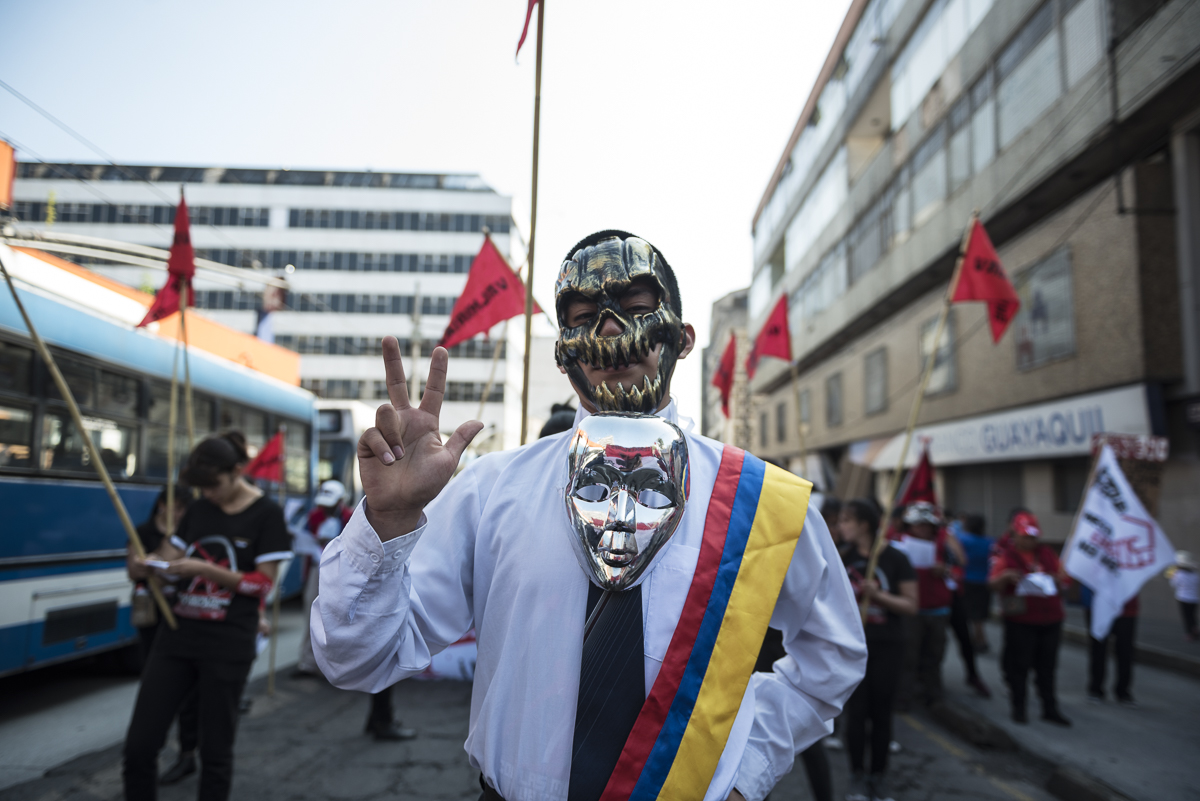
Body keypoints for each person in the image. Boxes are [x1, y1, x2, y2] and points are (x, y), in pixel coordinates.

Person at [312, 230, 867, 801]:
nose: (609, 329)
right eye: (583, 316)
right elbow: (355, 661)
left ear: (682, 337)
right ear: (563, 353)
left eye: (636, 306)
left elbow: (834, 657)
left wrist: (744, 772)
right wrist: (387, 521)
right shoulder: (490, 491)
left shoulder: (762, 501)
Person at [123, 432, 292, 801]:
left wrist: (205, 570)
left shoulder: (267, 514)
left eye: (214, 485)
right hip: (176, 638)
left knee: (215, 751)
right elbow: (168, 560)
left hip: (228, 644)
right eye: (203, 488)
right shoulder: (198, 510)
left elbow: (262, 584)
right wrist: (146, 565)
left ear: (237, 471)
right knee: (139, 745)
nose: (209, 494)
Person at [293, 479, 416, 740]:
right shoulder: (319, 516)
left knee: (378, 641)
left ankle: (378, 714)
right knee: (323, 620)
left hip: (358, 583)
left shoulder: (357, 518)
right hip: (334, 575)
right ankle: (318, 664)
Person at [839, 498, 917, 801]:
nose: (841, 526)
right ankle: (857, 775)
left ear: (864, 525)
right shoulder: (842, 557)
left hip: (887, 645)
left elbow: (911, 605)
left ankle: (878, 776)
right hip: (853, 647)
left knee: (881, 713)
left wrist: (879, 596)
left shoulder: (896, 558)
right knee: (855, 714)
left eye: (847, 520)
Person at [988, 511, 1071, 726]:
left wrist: (1057, 579)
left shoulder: (1047, 554)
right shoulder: (1006, 556)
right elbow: (993, 583)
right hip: (1020, 620)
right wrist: (1006, 577)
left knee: (1047, 667)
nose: (1029, 540)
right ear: (1015, 535)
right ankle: (1019, 708)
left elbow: (1065, 580)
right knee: (1020, 666)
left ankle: (1049, 708)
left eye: (1033, 536)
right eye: (1025, 536)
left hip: (1050, 618)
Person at [893, 501, 964, 708]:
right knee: (908, 656)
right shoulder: (899, 545)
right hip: (912, 610)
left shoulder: (945, 545)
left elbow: (960, 568)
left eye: (927, 525)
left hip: (938, 610)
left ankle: (933, 696)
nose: (923, 529)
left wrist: (946, 570)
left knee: (934, 656)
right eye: (918, 525)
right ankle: (904, 697)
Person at [1081, 586, 1138, 705]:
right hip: (1100, 607)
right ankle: (1096, 688)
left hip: (1125, 609)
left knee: (1125, 651)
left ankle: (1123, 690)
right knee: (1098, 649)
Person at [956, 514, 993, 653]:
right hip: (985, 581)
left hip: (967, 580)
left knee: (972, 614)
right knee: (980, 614)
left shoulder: (963, 540)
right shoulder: (990, 542)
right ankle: (980, 640)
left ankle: (977, 640)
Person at [1169, 550, 1198, 640]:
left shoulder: (1178, 574)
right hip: (1195, 599)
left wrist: (1172, 575)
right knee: (1192, 616)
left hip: (1183, 598)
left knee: (1186, 616)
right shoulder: (1195, 575)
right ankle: (1195, 630)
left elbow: (1173, 584)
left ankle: (1189, 633)